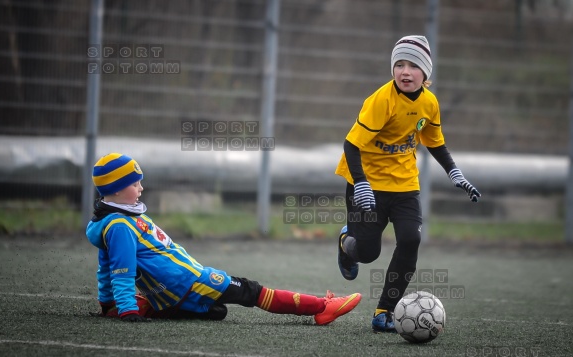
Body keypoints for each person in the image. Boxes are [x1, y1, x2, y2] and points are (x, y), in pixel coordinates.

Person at [86, 153, 361, 324]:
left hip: (180, 287)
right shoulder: (120, 226)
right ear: (118, 189)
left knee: (217, 312)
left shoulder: (123, 217)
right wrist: (124, 309)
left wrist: (106, 304)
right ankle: (322, 307)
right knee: (251, 291)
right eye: (135, 183)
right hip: (189, 282)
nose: (141, 187)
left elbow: (106, 264)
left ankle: (154, 306)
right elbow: (118, 270)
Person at [334, 35, 481, 333]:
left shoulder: (429, 103)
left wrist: (455, 173)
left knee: (411, 241)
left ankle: (383, 312)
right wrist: (361, 183)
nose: (405, 71)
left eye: (413, 65)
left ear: (426, 73)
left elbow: (435, 143)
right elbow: (351, 145)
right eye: (399, 64)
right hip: (367, 186)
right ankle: (345, 243)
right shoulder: (380, 101)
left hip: (404, 187)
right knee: (368, 253)